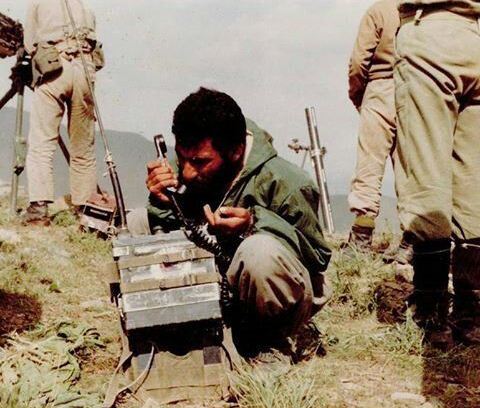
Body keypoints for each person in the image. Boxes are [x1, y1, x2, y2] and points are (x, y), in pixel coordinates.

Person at [129, 87, 332, 357]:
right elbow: (174, 225)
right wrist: (164, 201)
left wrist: (253, 225)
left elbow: (317, 257)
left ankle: (271, 346)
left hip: (272, 299)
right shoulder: (193, 163)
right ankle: (161, 331)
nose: (187, 172)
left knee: (258, 251)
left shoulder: (287, 182)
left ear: (235, 152)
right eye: (181, 157)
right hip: (215, 285)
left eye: (199, 162)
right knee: (139, 221)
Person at [395, 0, 480, 348]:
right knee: (474, 181)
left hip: (429, 34)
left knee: (426, 175)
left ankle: (432, 315)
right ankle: (471, 311)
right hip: (475, 34)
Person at [23, 0, 103, 225]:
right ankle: (85, 210)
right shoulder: (86, 6)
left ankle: (38, 209)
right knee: (83, 148)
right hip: (85, 70)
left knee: (41, 143)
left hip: (55, 68)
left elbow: (30, 44)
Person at [346, 0, 401, 251]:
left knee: (369, 166)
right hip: (416, 91)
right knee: (411, 171)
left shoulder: (378, 11)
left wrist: (359, 96)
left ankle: (361, 236)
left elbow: (358, 63)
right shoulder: (423, 12)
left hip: (379, 88)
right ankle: (411, 241)